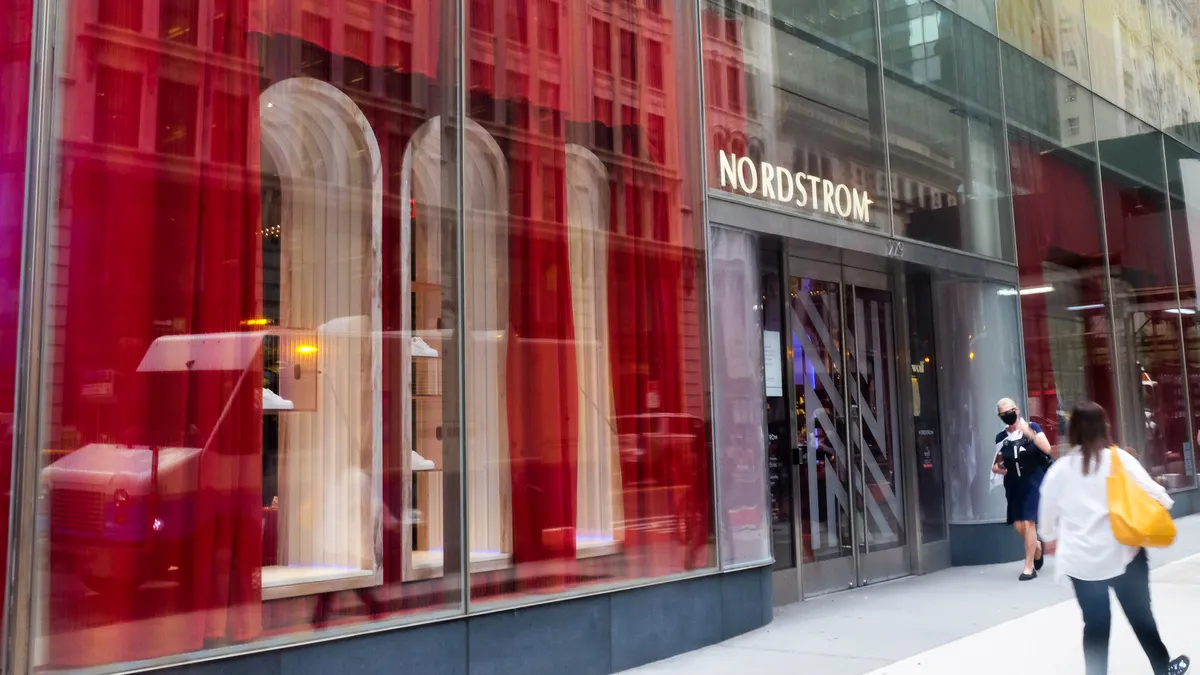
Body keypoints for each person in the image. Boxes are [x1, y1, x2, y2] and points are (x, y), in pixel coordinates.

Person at [1039, 402, 1189, 675]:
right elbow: (1157, 495)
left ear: (1072, 431)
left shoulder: (1059, 471)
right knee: (1142, 618)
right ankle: (1163, 669)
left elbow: (1046, 521)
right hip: (1124, 556)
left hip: (1082, 564)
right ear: (1104, 428)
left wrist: (1050, 538)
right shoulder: (1118, 459)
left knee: (1095, 627)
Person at [991, 397, 1053, 580]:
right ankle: (1038, 548)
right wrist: (997, 468)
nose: (1008, 415)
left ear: (1017, 410)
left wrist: (1029, 433)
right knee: (1020, 527)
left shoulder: (1032, 427)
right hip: (1013, 483)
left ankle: (1029, 567)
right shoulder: (1001, 437)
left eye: (1011, 411)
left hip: (1033, 480)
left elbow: (1047, 449)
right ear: (1000, 416)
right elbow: (997, 461)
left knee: (1028, 522)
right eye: (1004, 414)